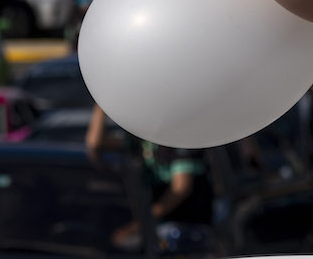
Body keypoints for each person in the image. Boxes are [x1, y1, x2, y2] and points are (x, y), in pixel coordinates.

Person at [85, 104, 216, 250]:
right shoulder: (139, 140)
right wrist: (101, 104)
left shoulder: (179, 139)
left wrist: (140, 224)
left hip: (188, 227)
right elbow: (95, 144)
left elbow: (181, 189)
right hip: (157, 227)